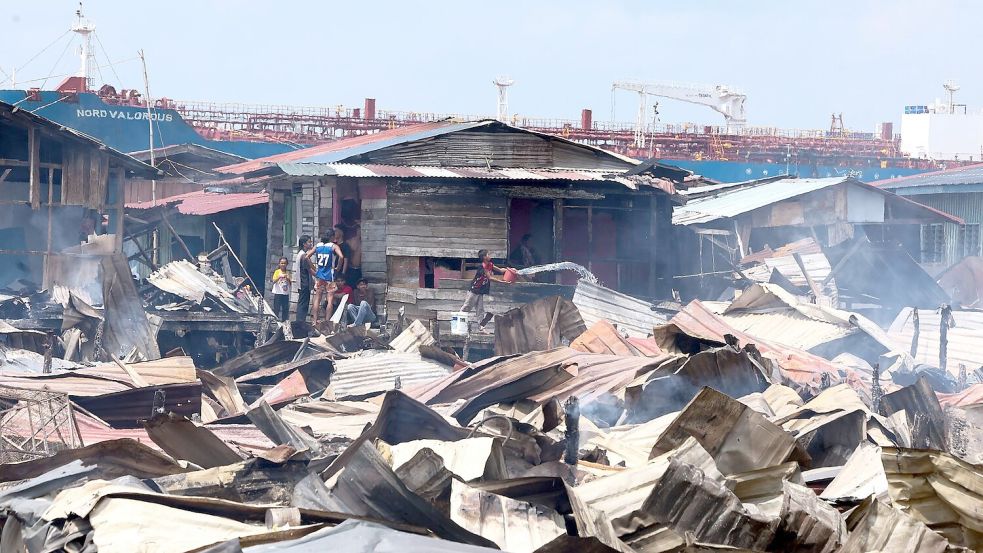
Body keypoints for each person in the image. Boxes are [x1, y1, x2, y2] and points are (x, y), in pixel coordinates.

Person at [460, 249, 510, 332]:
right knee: (466, 307)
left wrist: (510, 270)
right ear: (484, 257)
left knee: (480, 310)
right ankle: (459, 323)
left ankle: (481, 327)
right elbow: (490, 277)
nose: (489, 256)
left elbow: (501, 270)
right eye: (488, 254)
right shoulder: (483, 266)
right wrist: (502, 282)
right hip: (474, 290)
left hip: (480, 291)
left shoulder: (490, 264)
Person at [307, 233, 344, 327]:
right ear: (331, 238)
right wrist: (337, 268)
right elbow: (341, 257)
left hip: (320, 275)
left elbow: (307, 257)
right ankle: (327, 322)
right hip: (329, 276)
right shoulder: (333, 246)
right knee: (330, 299)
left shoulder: (317, 246)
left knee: (317, 299)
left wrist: (314, 268)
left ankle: (314, 321)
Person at [292, 235, 315, 326]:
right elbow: (310, 269)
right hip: (304, 282)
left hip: (301, 282)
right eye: (309, 242)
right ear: (304, 244)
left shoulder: (301, 254)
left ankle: (300, 322)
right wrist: (319, 276)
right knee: (303, 304)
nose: (311, 244)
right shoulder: (303, 256)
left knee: (302, 303)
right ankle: (300, 322)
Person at [345, 223, 363, 287]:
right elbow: (354, 248)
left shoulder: (364, 241)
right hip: (352, 268)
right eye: (359, 230)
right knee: (351, 286)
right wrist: (357, 236)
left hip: (361, 268)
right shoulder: (350, 240)